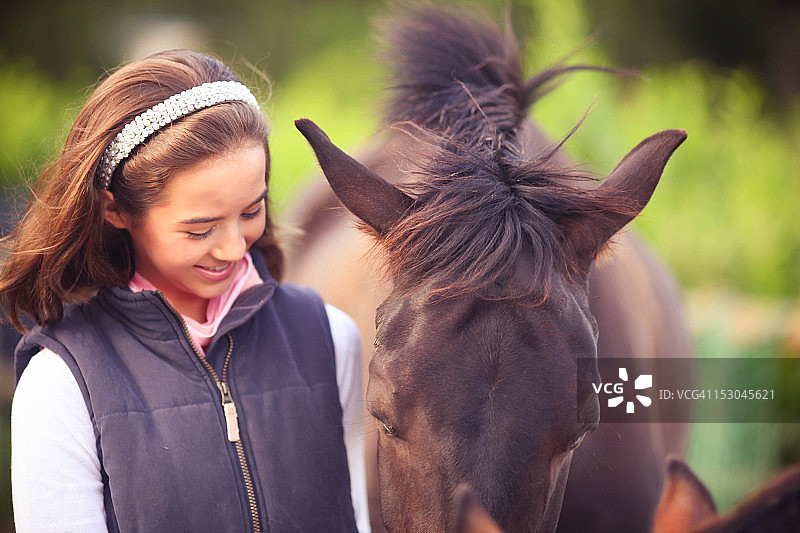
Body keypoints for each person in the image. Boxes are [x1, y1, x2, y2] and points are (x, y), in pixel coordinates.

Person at [0, 49, 369, 532]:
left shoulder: (330, 337)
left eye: (252, 210)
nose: (235, 247)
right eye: (200, 230)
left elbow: (357, 517)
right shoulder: (61, 383)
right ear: (115, 210)